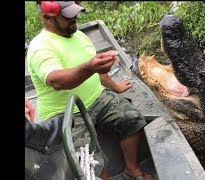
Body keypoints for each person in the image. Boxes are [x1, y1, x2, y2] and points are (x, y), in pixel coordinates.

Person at [26, 1, 152, 180]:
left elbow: (96, 70)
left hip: (97, 98)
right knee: (90, 162)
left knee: (131, 119)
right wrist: (90, 67)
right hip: (65, 112)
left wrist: (115, 87)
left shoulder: (80, 36)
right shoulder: (41, 47)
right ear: (48, 18)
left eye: (75, 13)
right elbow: (56, 80)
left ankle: (131, 169)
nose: (75, 18)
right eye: (68, 16)